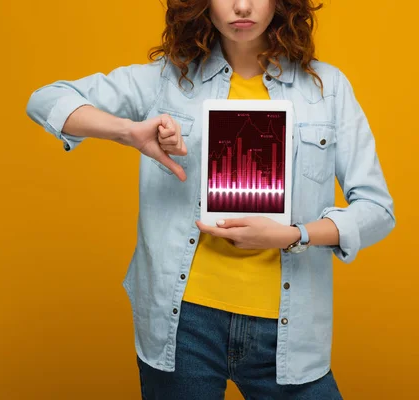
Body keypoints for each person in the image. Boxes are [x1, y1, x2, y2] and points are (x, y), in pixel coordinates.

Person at [26, 0, 395, 398]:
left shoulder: (328, 88)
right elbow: (46, 100)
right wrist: (127, 131)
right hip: (183, 324)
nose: (242, 6)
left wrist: (292, 234)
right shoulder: (168, 79)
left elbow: (377, 209)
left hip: (290, 328)